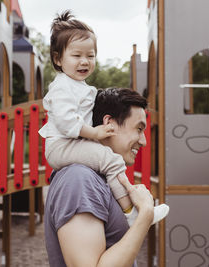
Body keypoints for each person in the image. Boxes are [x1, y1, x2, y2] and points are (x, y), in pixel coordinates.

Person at [39, 10, 169, 226]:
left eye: (90, 56)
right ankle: (131, 213)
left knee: (108, 162)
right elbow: (65, 120)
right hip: (61, 146)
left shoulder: (79, 87)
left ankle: (127, 208)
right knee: (111, 160)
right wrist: (94, 132)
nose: (85, 61)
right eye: (77, 55)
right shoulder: (61, 87)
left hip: (70, 144)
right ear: (57, 58)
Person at [45, 87, 160, 266]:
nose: (144, 141)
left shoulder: (95, 177)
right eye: (138, 129)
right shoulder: (79, 180)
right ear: (109, 123)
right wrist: (145, 214)